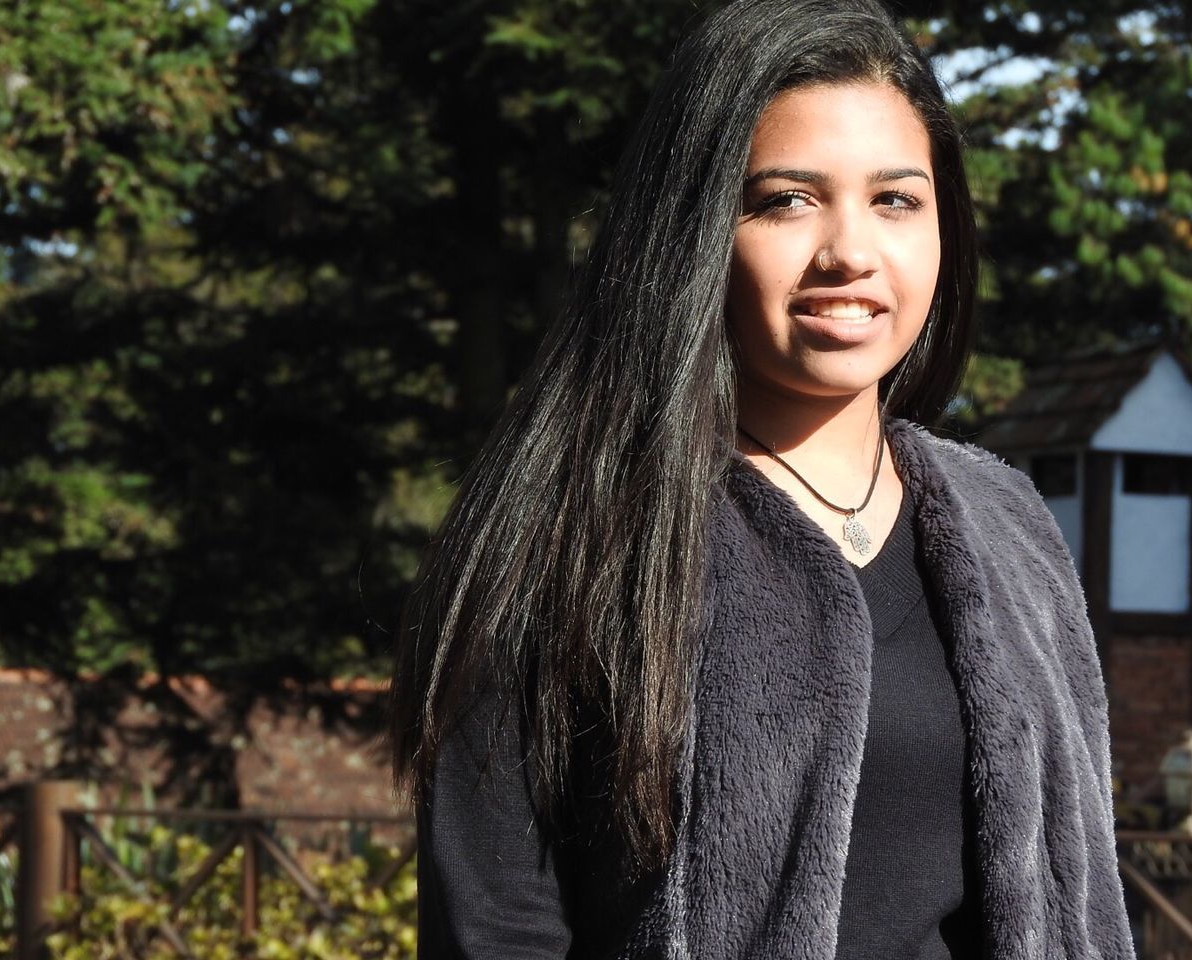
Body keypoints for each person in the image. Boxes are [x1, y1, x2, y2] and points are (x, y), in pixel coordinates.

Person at [387, 0, 1138, 957]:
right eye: (786, 199)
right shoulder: (570, 535)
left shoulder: (1008, 525)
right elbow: (495, 926)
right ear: (694, 230)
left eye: (896, 199)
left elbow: (1083, 892)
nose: (851, 253)